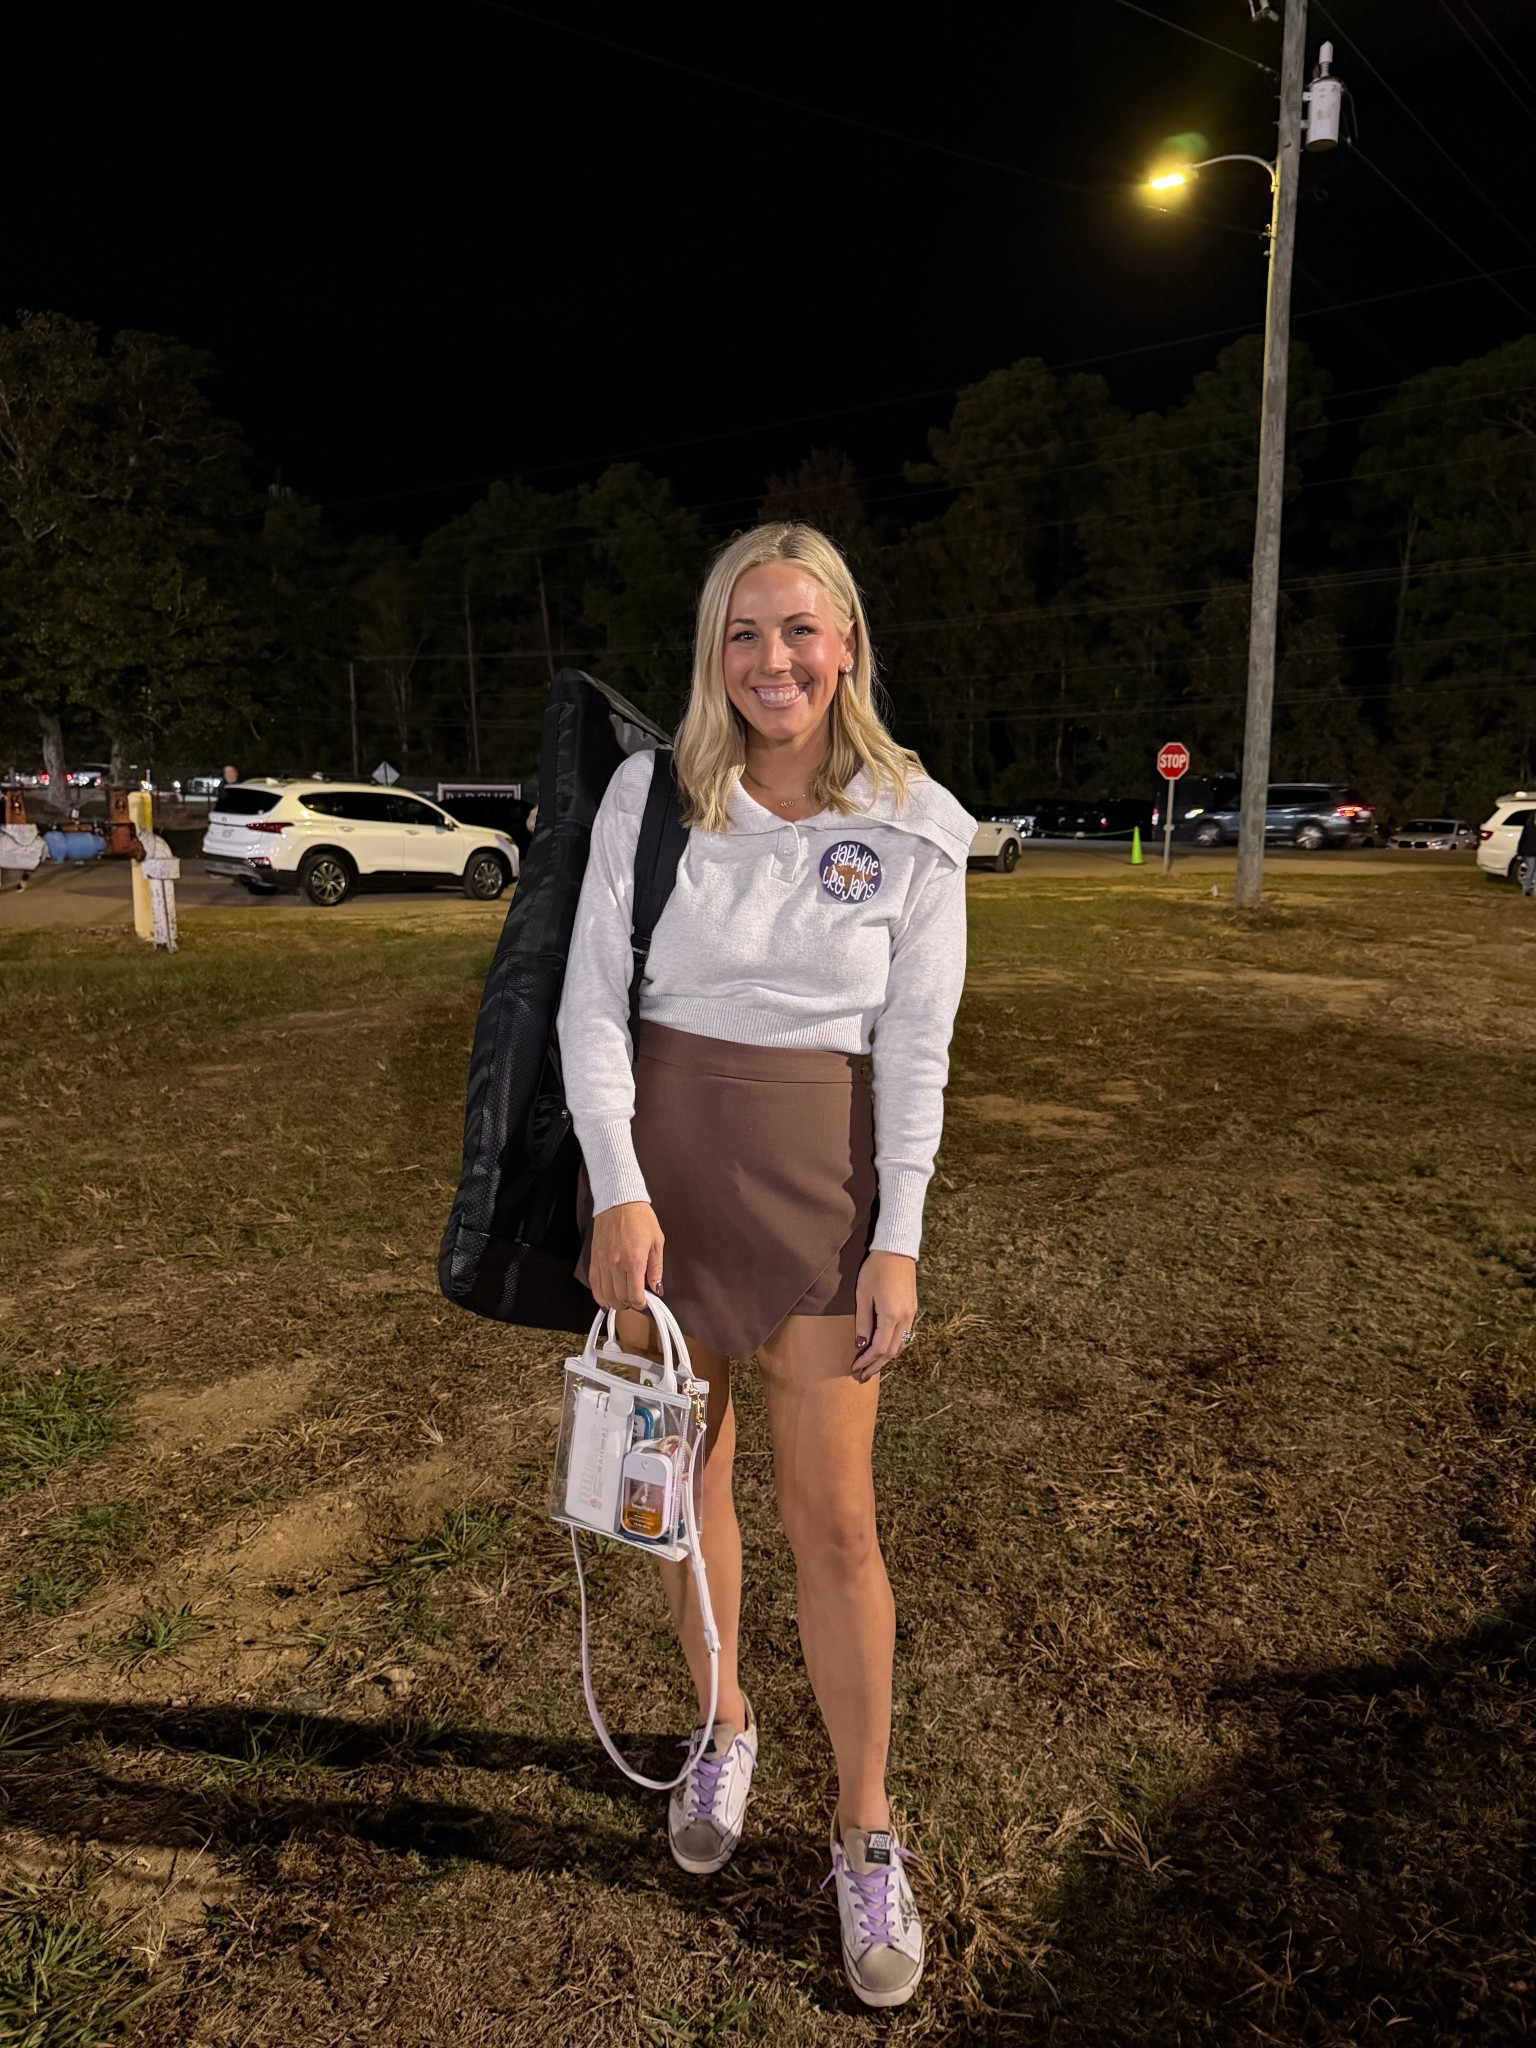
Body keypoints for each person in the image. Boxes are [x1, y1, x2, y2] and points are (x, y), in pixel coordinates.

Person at [556, 522, 973, 2009]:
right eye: (743, 634)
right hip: (662, 1187)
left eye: (799, 631)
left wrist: (901, 1232)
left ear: (847, 643)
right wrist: (614, 1188)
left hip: (818, 1189)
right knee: (682, 1494)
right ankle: (723, 1723)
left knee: (836, 1519)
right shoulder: (650, 797)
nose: (772, 661)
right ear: (711, 654)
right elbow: (593, 1000)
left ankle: (865, 1828)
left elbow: (916, 1048)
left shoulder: (918, 819)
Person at [1519, 811, 1536, 897]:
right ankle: (1526, 889)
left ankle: (1534, 891)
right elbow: (1522, 840)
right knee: (1531, 870)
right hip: (1530, 853)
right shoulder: (1528, 827)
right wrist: (1520, 852)